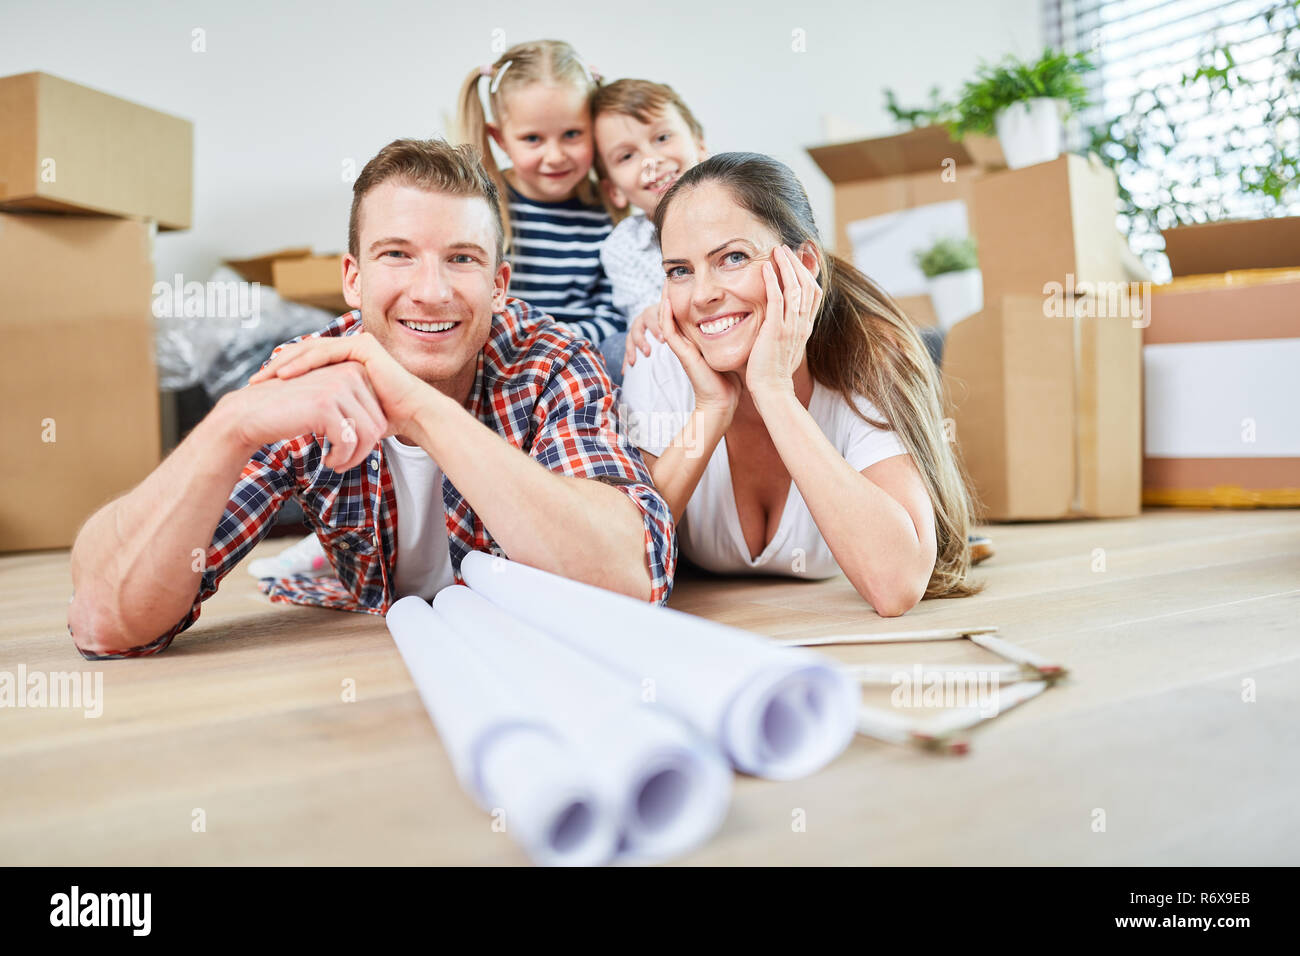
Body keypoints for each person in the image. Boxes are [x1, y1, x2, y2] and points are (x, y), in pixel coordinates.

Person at [69, 138, 675, 660]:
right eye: (397, 255)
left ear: (499, 283)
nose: (431, 291)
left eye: (461, 259)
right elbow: (106, 621)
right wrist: (228, 426)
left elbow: (629, 581)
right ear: (353, 280)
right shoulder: (308, 374)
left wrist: (416, 406)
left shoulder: (553, 360)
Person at [619, 152, 983, 617]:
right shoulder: (659, 352)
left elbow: (896, 586)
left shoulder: (870, 354)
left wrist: (773, 390)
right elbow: (622, 565)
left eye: (732, 258)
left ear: (804, 261)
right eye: (680, 271)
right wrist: (711, 408)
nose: (702, 295)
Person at [456, 39, 628, 373]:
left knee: (625, 349)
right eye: (533, 139)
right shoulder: (482, 206)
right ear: (501, 138)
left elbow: (615, 313)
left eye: (572, 134)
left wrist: (558, 342)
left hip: (584, 357)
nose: (555, 156)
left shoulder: (607, 210)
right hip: (502, 355)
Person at [589, 78, 708, 381]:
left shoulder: (743, 207)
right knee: (617, 350)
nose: (651, 161)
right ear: (613, 190)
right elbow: (651, 318)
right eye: (627, 156)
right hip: (679, 361)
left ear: (699, 145)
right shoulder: (624, 246)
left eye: (663, 137)